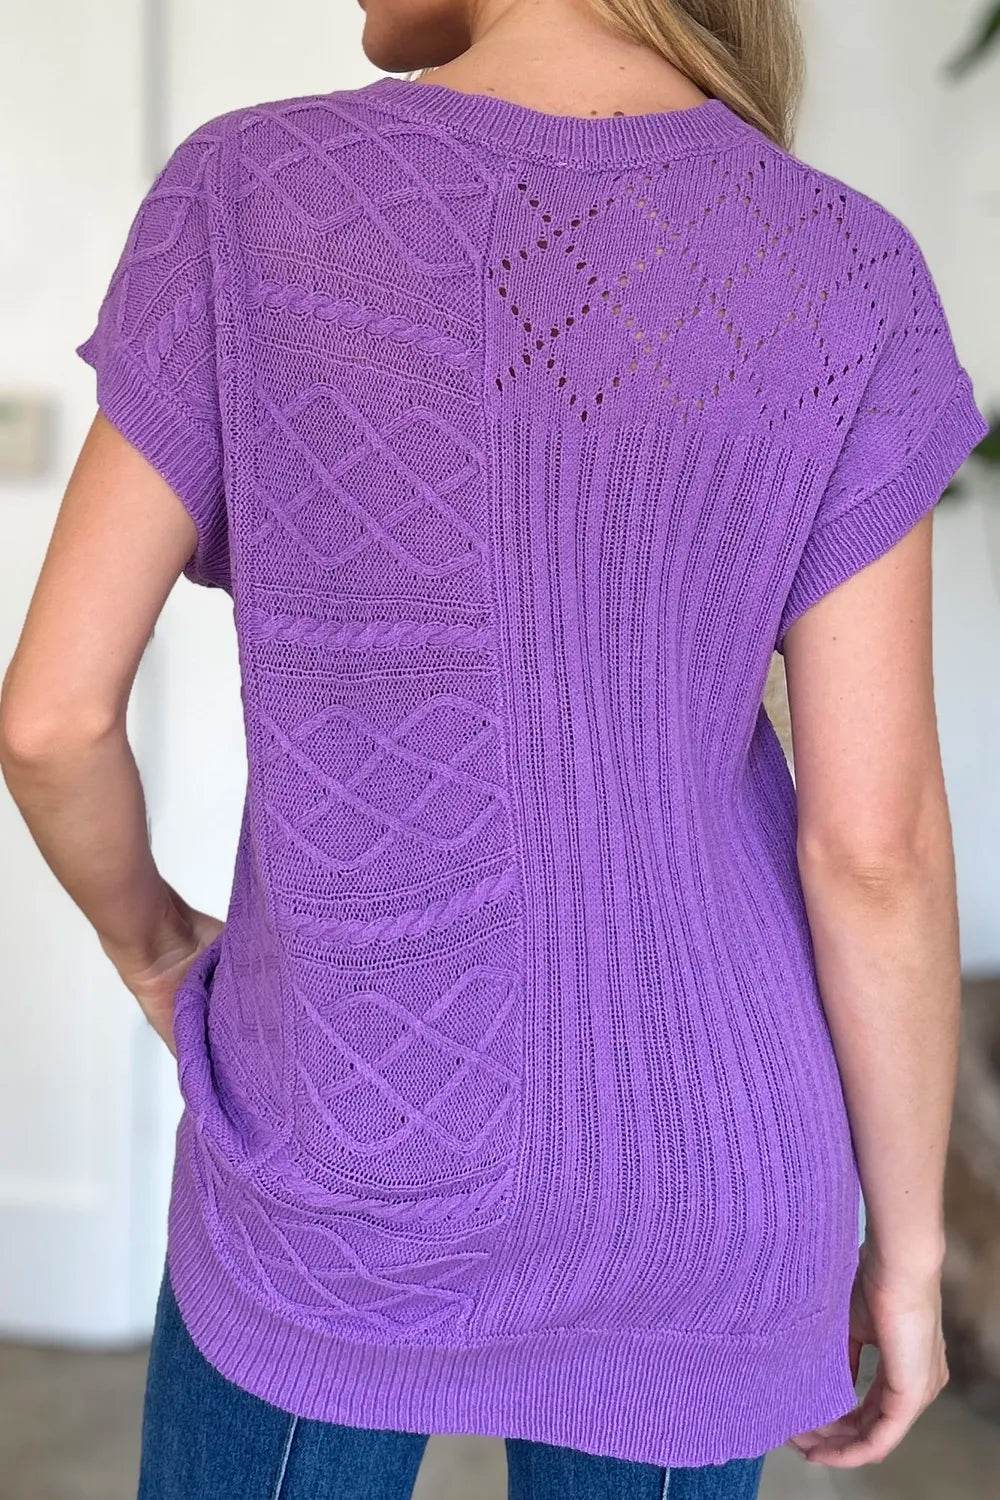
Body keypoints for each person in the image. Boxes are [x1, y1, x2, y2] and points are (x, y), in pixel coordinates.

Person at [0, 0, 988, 1495]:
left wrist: (154, 955)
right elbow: (876, 846)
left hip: (340, 1132)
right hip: (706, 1168)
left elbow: (53, 720)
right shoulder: (850, 266)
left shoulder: (254, 193)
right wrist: (905, 1258)